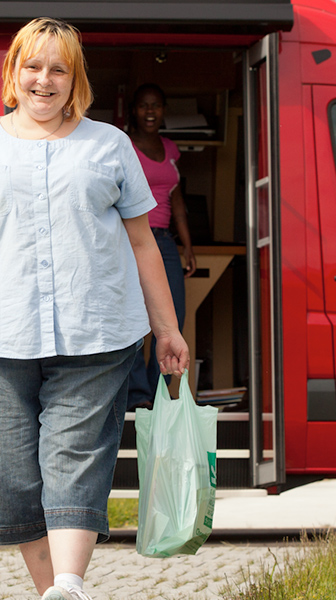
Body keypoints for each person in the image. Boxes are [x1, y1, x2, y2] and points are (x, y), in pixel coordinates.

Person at [0, 17, 189, 600]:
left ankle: (68, 585)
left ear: (75, 79)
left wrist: (167, 329)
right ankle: (55, 589)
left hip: (95, 332)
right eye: (33, 66)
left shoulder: (109, 146)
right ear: (13, 72)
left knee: (74, 459)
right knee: (12, 475)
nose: (44, 80)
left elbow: (143, 242)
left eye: (58, 69)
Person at [126, 83, 198, 410]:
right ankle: (136, 393)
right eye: (143, 105)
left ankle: (156, 389)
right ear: (134, 110)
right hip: (131, 241)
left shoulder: (170, 149)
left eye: (156, 105)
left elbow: (177, 201)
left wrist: (188, 246)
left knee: (171, 317)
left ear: (164, 109)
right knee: (133, 318)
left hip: (165, 241)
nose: (150, 112)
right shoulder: (123, 145)